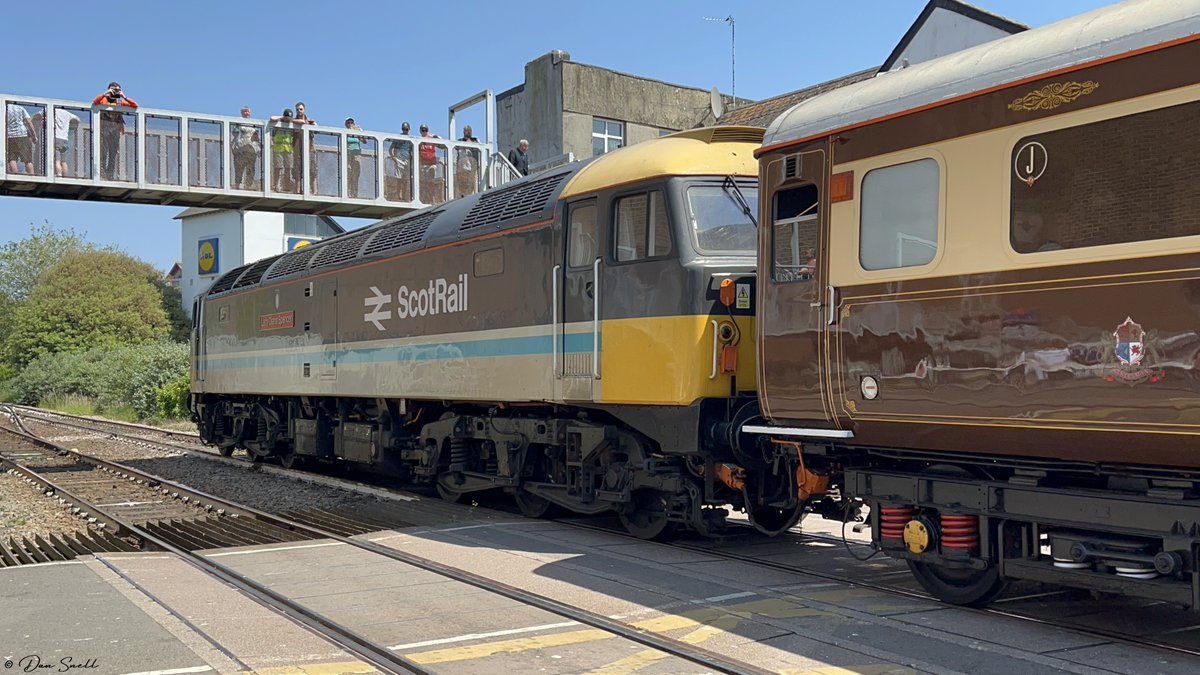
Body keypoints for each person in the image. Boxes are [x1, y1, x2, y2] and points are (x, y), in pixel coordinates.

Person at [92, 82, 139, 180]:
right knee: (103, 153)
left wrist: (124, 97)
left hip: (115, 130)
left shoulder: (120, 101)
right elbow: (94, 102)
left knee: (113, 153)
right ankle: (102, 174)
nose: (115, 92)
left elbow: (135, 105)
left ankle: (110, 175)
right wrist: (106, 93)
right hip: (104, 129)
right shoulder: (103, 99)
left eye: (117, 90)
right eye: (113, 89)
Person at [269, 108, 300, 193]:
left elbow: (302, 122)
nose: (288, 120)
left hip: (288, 150)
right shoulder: (278, 123)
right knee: (278, 168)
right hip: (278, 149)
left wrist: (292, 120)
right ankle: (277, 185)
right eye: (287, 118)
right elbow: (272, 118)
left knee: (288, 168)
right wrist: (282, 118)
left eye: (289, 118)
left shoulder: (292, 125)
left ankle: (286, 186)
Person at [231, 106, 262, 190]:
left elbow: (256, 137)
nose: (247, 113)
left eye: (248, 111)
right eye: (245, 111)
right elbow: (235, 133)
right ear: (241, 112)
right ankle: (237, 186)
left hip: (251, 149)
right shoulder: (238, 122)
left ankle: (248, 187)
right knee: (239, 168)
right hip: (241, 149)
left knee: (251, 169)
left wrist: (259, 149)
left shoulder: (253, 124)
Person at [6, 103, 37, 175]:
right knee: (28, 160)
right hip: (22, 135)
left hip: (10, 136)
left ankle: (14, 176)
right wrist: (34, 135)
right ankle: (32, 177)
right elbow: (29, 122)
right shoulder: (20, 108)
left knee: (12, 159)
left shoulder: (4, 108)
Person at [385, 122, 413, 201]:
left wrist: (411, 158)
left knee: (405, 180)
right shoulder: (398, 138)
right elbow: (391, 148)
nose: (405, 130)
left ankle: (404, 196)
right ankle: (399, 195)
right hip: (399, 160)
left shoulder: (411, 139)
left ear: (409, 129)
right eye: (404, 129)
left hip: (407, 161)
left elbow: (412, 150)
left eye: (406, 129)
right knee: (399, 179)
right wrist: (393, 157)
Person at [53, 107, 80, 177]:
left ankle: (58, 175)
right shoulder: (67, 113)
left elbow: (39, 115)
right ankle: (65, 177)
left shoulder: (52, 110)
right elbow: (78, 120)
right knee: (64, 161)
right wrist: (71, 124)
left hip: (56, 138)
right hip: (65, 139)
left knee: (57, 160)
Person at [455, 125, 481, 197]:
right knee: (462, 186)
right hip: (462, 169)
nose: (468, 132)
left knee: (473, 185)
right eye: (466, 130)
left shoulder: (475, 140)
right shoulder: (460, 141)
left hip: (472, 168)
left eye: (469, 130)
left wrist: (472, 143)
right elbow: (455, 148)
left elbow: (479, 148)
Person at [344, 117, 364, 198]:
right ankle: (348, 193)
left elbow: (365, 141)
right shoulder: (344, 132)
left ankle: (354, 194)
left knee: (355, 175)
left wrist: (360, 133)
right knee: (348, 174)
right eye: (348, 123)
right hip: (348, 155)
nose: (350, 124)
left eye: (351, 122)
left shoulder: (357, 132)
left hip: (356, 155)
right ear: (346, 124)